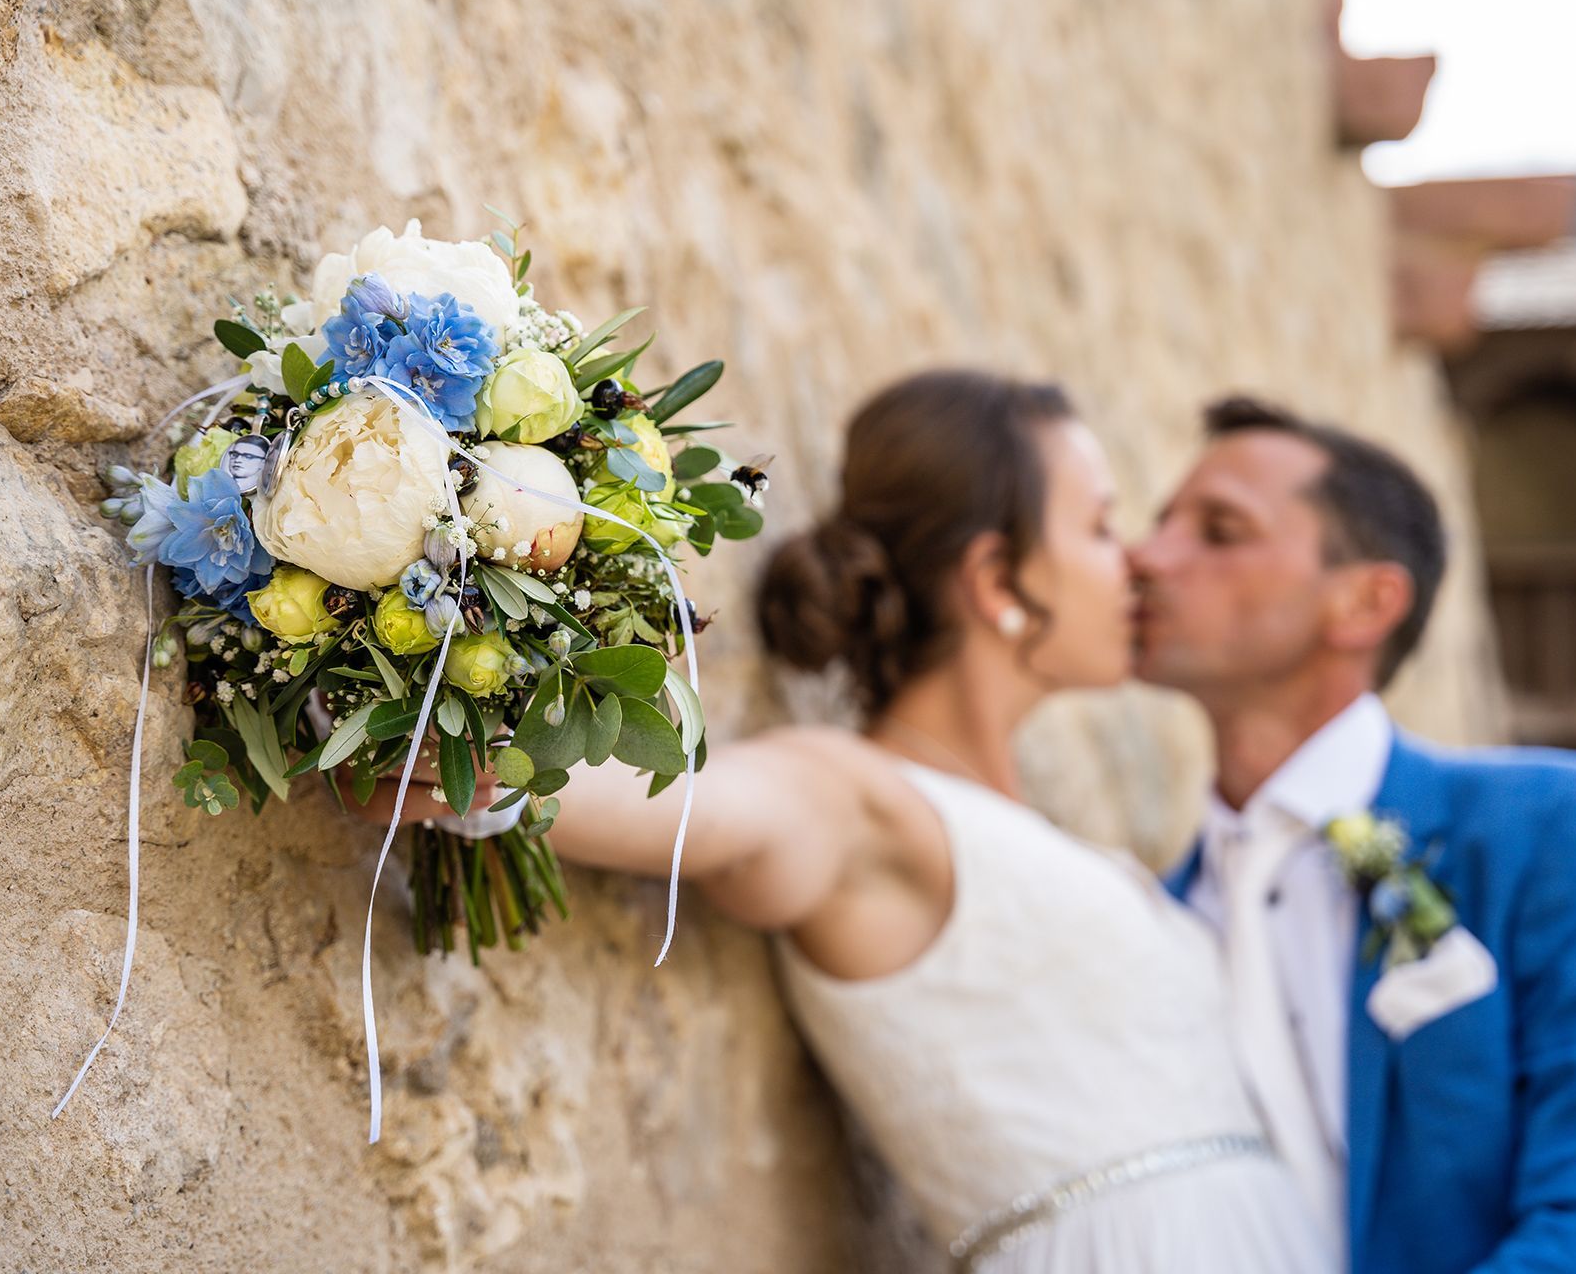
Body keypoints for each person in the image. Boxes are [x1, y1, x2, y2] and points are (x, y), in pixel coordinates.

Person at [491, 371, 1329, 1271]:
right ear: (997, 579)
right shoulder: (856, 796)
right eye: (1098, 526)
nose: (1131, 563)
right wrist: (464, 749)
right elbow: (692, 803)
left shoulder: (1027, 831)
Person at [1130, 397, 1576, 1274]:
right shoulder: (1150, 929)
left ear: (1366, 602)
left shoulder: (1571, 831)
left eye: (1219, 531)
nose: (1146, 557)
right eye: (1157, 524)